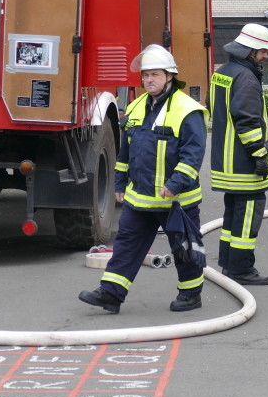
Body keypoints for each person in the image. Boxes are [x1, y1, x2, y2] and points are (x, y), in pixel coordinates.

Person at [79, 44, 209, 313]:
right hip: (140, 198)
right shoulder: (137, 106)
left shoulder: (188, 110)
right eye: (146, 75)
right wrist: (118, 183)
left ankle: (190, 294)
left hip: (176, 200)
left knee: (184, 248)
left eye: (156, 75)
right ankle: (111, 294)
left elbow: (193, 155)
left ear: (170, 76)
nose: (149, 80)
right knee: (126, 245)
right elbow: (125, 150)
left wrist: (174, 185)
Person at [209, 23, 268, 286]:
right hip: (244, 164)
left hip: (226, 163)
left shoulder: (223, 72)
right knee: (248, 216)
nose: (266, 56)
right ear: (250, 51)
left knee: (233, 215)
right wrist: (260, 155)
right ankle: (241, 269)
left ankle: (228, 263)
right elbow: (248, 121)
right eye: (263, 51)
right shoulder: (247, 78)